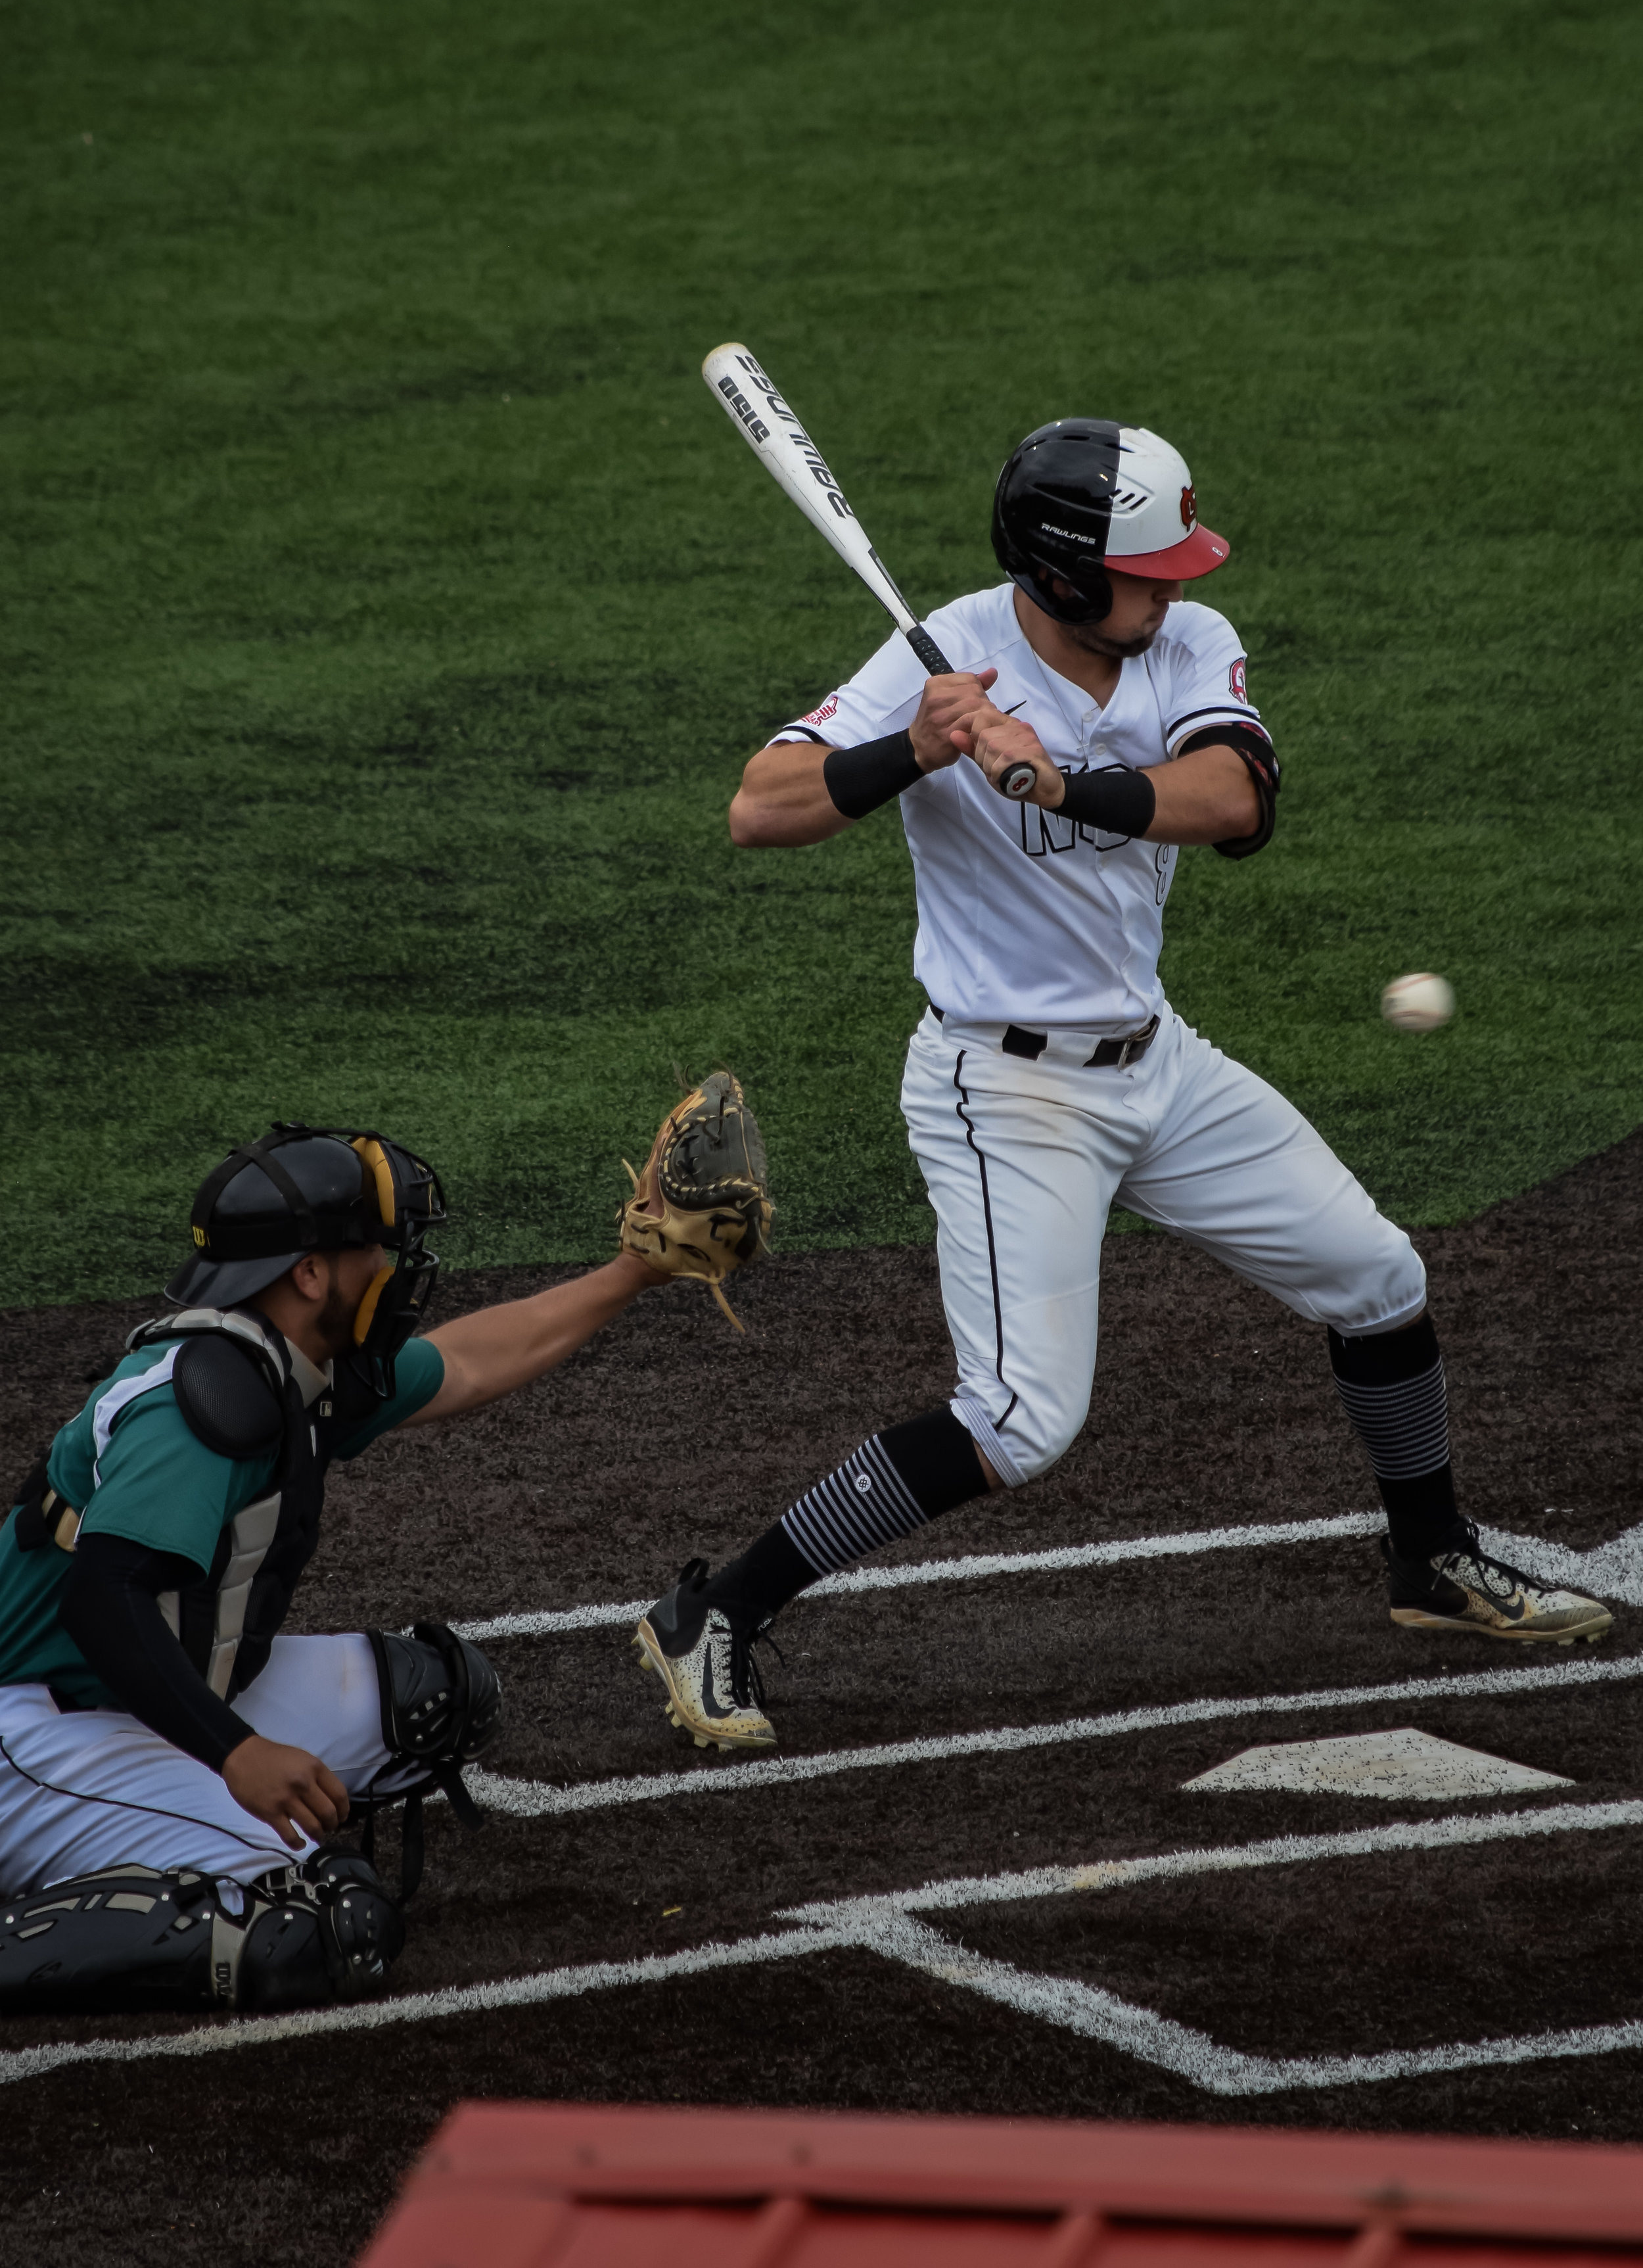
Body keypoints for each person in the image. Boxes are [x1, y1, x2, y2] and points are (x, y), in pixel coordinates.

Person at [630, 417, 1612, 1755]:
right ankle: (718, 1610)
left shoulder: (1185, 643)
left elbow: (1234, 802)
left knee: (1378, 1280)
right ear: (1067, 575)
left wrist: (1063, 780)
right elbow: (760, 805)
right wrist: (910, 752)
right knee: (1020, 1423)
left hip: (1156, 1061)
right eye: (1152, 570)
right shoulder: (940, 654)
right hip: (1002, 1091)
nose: (1177, 588)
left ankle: (1428, 1561)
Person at [0, 1120, 670, 2013]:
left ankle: (157, 1810)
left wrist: (636, 1269)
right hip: (32, 1727)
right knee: (316, 1921)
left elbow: (472, 1360)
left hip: (127, 1693)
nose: (395, 1272)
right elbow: (102, 1601)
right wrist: (238, 1753)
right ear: (308, 1272)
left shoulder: (292, 1362)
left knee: (433, 1699)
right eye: (375, 1250)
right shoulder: (199, 1409)